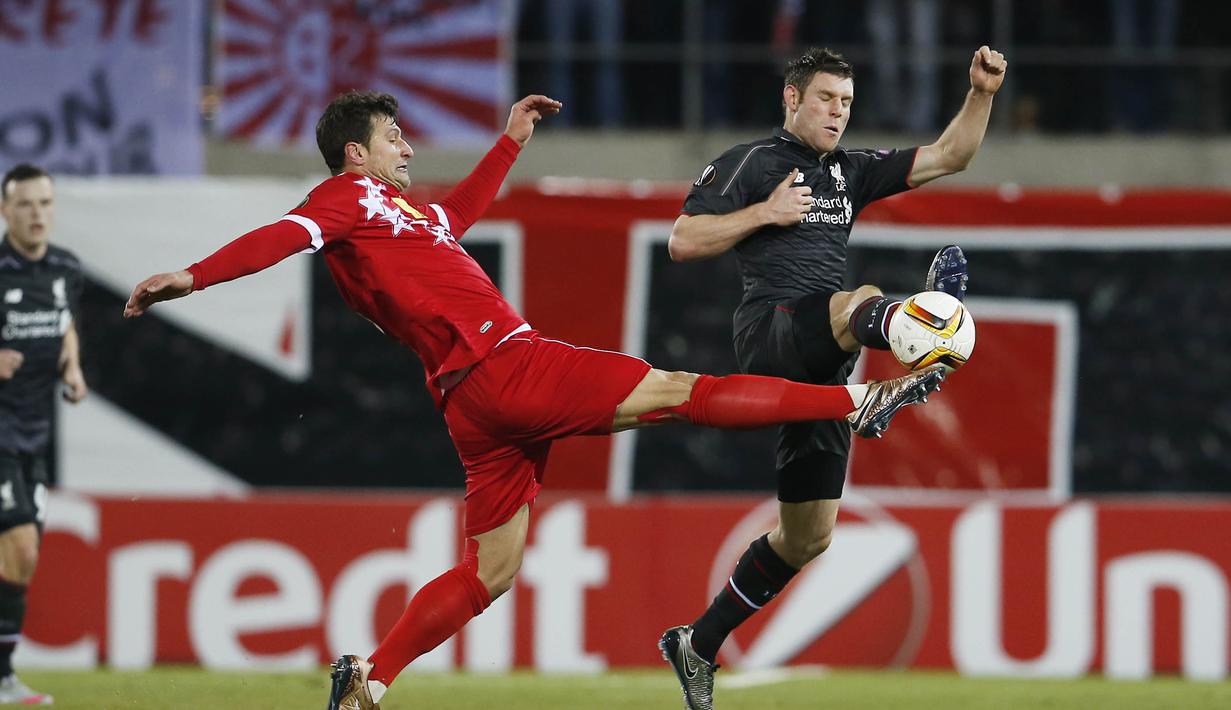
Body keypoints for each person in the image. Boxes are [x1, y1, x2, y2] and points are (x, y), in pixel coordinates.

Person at [123, 90, 946, 710]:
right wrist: (191, 275)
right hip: (506, 366)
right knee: (676, 391)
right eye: (391, 137)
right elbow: (279, 237)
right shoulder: (342, 201)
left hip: (470, 404)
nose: (406, 144)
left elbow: (455, 215)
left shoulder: (399, 213)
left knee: (492, 570)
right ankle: (856, 402)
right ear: (353, 155)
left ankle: (369, 678)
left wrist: (508, 143)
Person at [660, 45, 1005, 710]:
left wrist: (981, 93)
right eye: (824, 99)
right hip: (769, 334)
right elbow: (682, 239)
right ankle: (919, 327)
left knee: (808, 536)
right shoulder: (753, 162)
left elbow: (949, 155)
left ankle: (695, 644)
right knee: (860, 297)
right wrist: (763, 212)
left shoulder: (849, 171)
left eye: (845, 103)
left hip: (821, 366)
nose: (836, 113)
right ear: (791, 99)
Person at [0, 164, 88, 705]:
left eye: (45, 203)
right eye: (26, 204)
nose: (37, 214)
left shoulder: (64, 268)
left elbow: (65, 325)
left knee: (23, 560)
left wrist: (71, 369)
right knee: (21, 544)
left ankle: (4, 676)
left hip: (35, 432)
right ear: (6, 211)